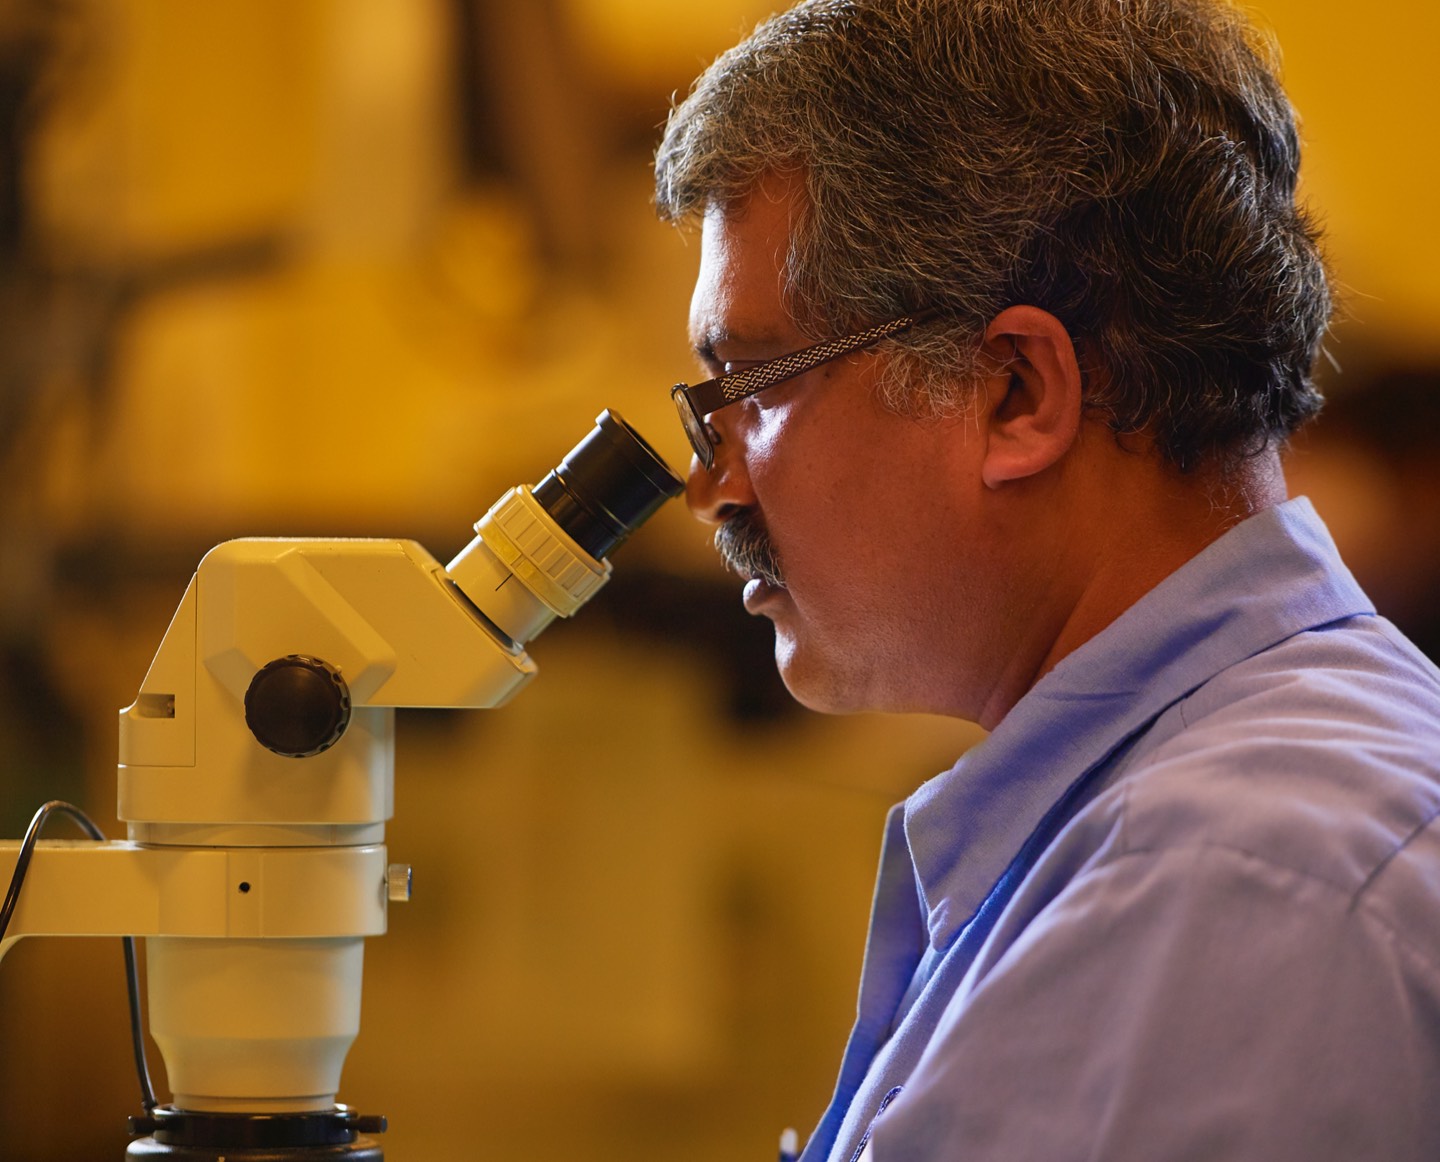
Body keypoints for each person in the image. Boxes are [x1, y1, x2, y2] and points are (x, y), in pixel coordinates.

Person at [653, 1, 1440, 1159]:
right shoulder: (1210, 824)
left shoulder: (1227, 888)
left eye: (754, 387)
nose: (709, 485)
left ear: (1016, 392)